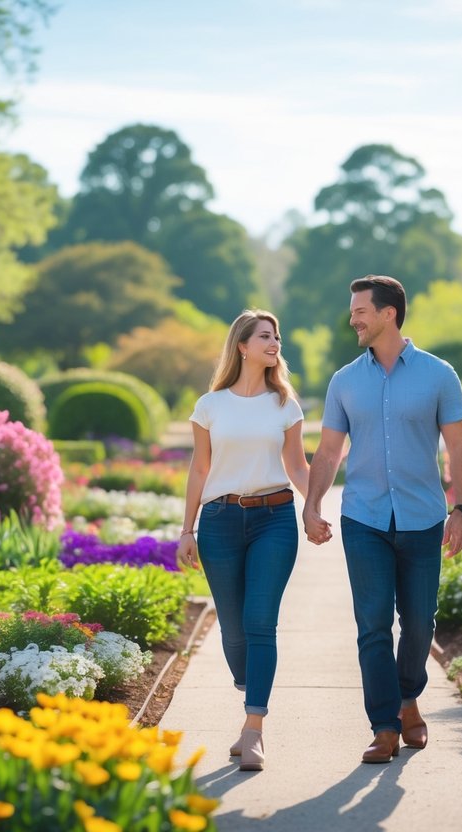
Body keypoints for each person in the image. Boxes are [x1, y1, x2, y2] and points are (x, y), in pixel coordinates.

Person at [303, 275, 462, 764]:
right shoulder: (344, 381)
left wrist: (460, 509)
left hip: (422, 519)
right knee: (373, 625)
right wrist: (313, 504)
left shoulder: (440, 375)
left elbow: (458, 446)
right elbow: (330, 450)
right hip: (364, 519)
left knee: (419, 622)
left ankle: (408, 699)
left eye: (360, 311)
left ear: (388, 314)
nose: (352, 318)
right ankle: (384, 727)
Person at [176, 309, 313, 772]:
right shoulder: (210, 405)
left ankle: (253, 728)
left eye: (277, 336)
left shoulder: (285, 404)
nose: (274, 343)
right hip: (218, 522)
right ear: (242, 346)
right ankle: (250, 686)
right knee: (233, 631)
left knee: (260, 621)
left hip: (275, 518)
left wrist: (313, 507)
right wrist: (186, 529)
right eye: (265, 336)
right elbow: (199, 468)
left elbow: (296, 465)